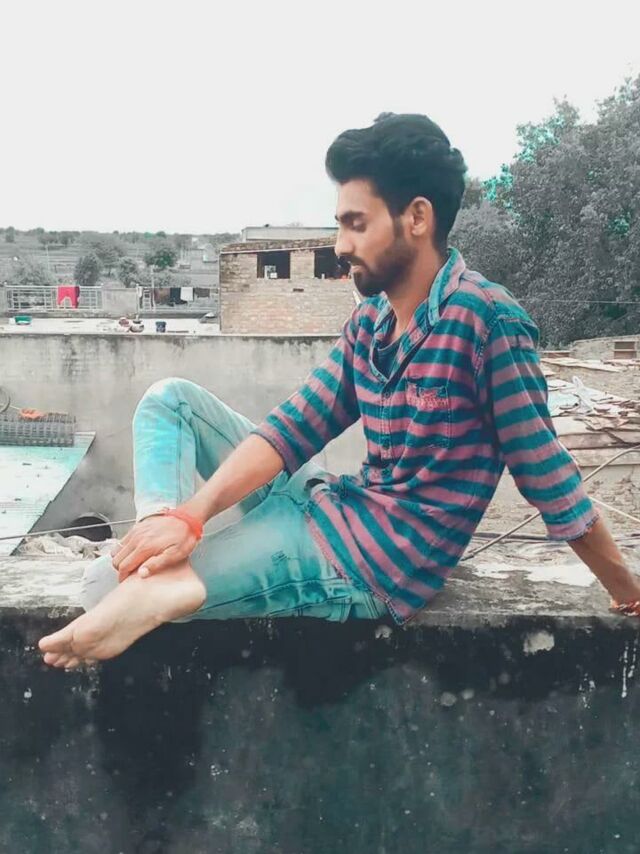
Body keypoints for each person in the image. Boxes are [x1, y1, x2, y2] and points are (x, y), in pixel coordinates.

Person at [39, 113, 640, 669]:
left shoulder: (487, 322)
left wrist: (626, 588)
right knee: (169, 400)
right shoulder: (371, 322)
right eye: (340, 224)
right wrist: (187, 519)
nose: (341, 244)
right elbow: (294, 428)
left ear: (417, 218)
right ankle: (158, 553)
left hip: (375, 561)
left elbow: (546, 474)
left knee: (101, 588)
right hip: (331, 502)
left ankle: (154, 581)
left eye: (356, 223)